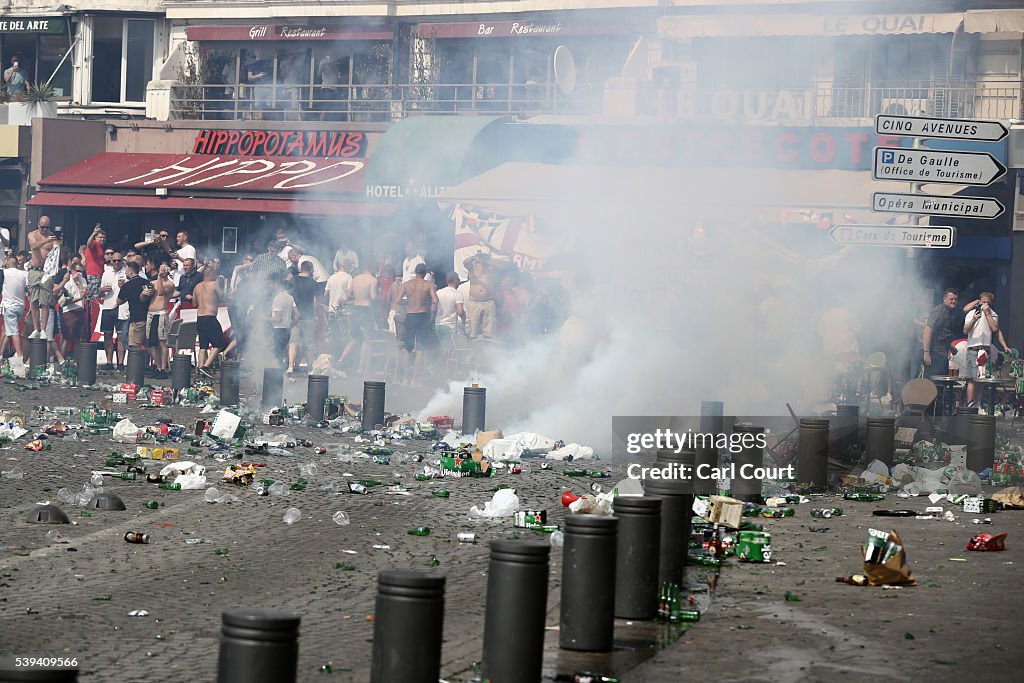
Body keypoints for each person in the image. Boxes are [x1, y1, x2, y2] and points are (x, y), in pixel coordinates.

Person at [392, 263, 438, 385]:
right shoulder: (429, 285)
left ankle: (406, 378)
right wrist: (432, 316)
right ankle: (415, 380)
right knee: (420, 348)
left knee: (408, 348)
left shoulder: (406, 285)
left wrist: (408, 303)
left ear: (415, 272)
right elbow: (435, 301)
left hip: (410, 316)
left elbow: (397, 300)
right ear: (425, 273)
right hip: (422, 316)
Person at [962, 292, 1008, 407]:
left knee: (982, 379)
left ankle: (978, 403)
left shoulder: (993, 314)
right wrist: (973, 319)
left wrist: (987, 313)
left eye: (988, 302)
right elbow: (965, 330)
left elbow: (994, 328)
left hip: (985, 348)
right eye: (984, 302)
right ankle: (970, 404)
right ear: (980, 301)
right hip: (973, 347)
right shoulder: (972, 313)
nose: (986, 304)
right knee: (972, 378)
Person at [26, 216, 60, 339]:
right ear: (38, 225)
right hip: (34, 270)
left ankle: (43, 329)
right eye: (42, 227)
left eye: (47, 227)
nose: (44, 230)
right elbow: (33, 247)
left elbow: (56, 252)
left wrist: (57, 242)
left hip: (46, 271)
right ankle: (36, 328)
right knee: (33, 300)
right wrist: (46, 241)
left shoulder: (52, 237)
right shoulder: (32, 235)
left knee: (45, 301)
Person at [289, 260, 322, 374]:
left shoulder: (292, 281)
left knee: (293, 341)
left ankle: (290, 367)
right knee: (309, 343)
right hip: (308, 317)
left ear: (301, 269)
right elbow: (315, 301)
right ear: (311, 270)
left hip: (295, 317)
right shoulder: (313, 283)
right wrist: (316, 315)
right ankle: (310, 368)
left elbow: (289, 298)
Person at [193, 266, 224, 378]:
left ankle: (200, 369)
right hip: (210, 317)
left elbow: (194, 304)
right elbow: (222, 296)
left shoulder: (197, 287)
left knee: (203, 346)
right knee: (219, 344)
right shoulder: (214, 284)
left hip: (200, 318)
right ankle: (205, 366)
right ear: (211, 275)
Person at [146, 263, 174, 379]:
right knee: (150, 342)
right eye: (160, 268)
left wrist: (159, 277)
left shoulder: (170, 284)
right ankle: (157, 366)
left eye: (164, 269)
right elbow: (146, 294)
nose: (162, 271)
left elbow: (161, 292)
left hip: (161, 313)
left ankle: (163, 368)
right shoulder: (153, 283)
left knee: (162, 342)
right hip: (151, 313)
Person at [116, 261, 153, 349]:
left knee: (134, 346)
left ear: (131, 272)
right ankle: (150, 363)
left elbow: (118, 302)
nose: (125, 273)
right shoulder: (147, 282)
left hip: (136, 319)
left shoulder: (126, 286)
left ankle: (136, 363)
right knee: (147, 345)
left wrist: (124, 291)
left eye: (126, 271)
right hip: (149, 317)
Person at [99, 252, 126, 370]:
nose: (116, 263)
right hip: (107, 306)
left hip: (121, 307)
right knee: (107, 335)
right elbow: (100, 293)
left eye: (118, 260)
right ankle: (109, 362)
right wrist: (102, 290)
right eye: (113, 260)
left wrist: (123, 286)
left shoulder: (126, 272)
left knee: (121, 337)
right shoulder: (106, 273)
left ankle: (120, 363)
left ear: (122, 261)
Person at [58, 263, 88, 358]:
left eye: (81, 271)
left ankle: (76, 363)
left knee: (79, 339)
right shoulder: (68, 281)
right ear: (72, 271)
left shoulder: (83, 280)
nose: (79, 273)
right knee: (66, 338)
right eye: (77, 271)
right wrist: (79, 298)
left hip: (80, 310)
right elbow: (64, 300)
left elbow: (83, 293)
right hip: (69, 311)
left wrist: (78, 282)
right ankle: (62, 361)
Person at [0, 255, 27, 359]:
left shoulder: (4, 272)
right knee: (9, 330)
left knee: (13, 331)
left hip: (9, 306)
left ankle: (20, 356)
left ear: (7, 263)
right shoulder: (24, 273)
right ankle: (1, 354)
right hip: (21, 306)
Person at [270, 279, 298, 369]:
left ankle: (278, 375)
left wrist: (262, 318)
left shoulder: (277, 298)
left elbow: (277, 318)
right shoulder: (290, 298)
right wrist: (291, 325)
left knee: (277, 354)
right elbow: (297, 315)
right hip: (286, 329)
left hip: (278, 329)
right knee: (281, 353)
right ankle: (283, 375)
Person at [435, 272, 465, 352]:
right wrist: (464, 320)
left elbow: (433, 308)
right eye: (458, 280)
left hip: (437, 325)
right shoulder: (457, 294)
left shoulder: (438, 292)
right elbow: (460, 311)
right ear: (455, 281)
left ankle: (434, 364)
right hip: (449, 326)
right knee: (446, 351)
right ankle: (442, 365)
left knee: (437, 350)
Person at [83, 225, 106, 301]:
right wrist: (93, 233)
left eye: (104, 237)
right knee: (93, 297)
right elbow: (89, 243)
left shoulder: (100, 247)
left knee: (98, 296)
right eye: (100, 237)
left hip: (99, 275)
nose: (102, 239)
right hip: (93, 274)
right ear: (96, 238)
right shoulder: (94, 244)